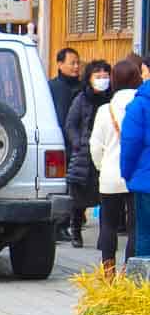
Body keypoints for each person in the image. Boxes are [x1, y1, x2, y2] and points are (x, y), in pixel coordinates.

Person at [90, 57, 141, 276]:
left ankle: (108, 271)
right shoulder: (142, 106)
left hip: (110, 175)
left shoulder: (105, 110)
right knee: (134, 227)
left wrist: (102, 167)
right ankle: (128, 271)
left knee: (108, 224)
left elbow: (95, 146)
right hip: (137, 175)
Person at [64, 60, 112, 248]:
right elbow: (71, 124)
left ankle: (105, 235)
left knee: (106, 197)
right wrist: (78, 143)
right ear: (89, 79)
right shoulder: (81, 98)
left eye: (105, 76)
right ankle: (75, 230)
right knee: (79, 198)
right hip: (84, 154)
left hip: (106, 152)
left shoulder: (112, 99)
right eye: (98, 77)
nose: (102, 80)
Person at [50, 48, 82, 241]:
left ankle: (72, 221)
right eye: (72, 63)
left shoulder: (81, 88)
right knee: (61, 185)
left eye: (78, 63)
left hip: (77, 142)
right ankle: (59, 225)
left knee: (76, 185)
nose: (76, 67)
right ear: (60, 64)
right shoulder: (51, 87)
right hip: (59, 141)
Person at [121, 55, 150, 258]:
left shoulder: (139, 105)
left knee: (144, 235)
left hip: (146, 181)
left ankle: (143, 285)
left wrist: (127, 174)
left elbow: (130, 143)